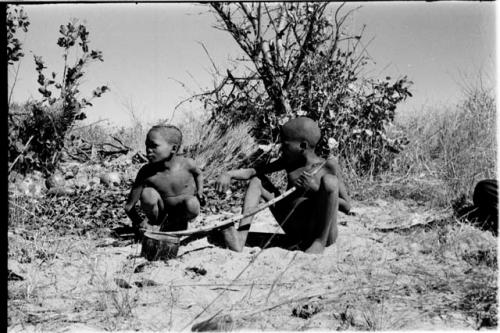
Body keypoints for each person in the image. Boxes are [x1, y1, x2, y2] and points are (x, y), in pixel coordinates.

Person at [215, 117, 351, 254]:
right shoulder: (289, 162)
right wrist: (228, 174)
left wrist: (314, 190)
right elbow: (254, 171)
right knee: (257, 181)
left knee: (329, 182)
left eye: (285, 145)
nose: (281, 150)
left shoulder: (328, 165)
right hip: (293, 227)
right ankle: (240, 238)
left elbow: (346, 206)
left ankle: (319, 243)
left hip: (322, 232)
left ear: (303, 146)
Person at [124, 125, 205, 237]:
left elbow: (199, 174)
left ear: (174, 149)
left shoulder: (187, 164)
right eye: (147, 146)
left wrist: (200, 191)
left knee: (191, 202)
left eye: (154, 146)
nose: (148, 150)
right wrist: (140, 222)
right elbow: (129, 207)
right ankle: (157, 224)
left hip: (185, 213)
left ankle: (185, 222)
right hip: (161, 215)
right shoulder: (146, 172)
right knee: (147, 194)